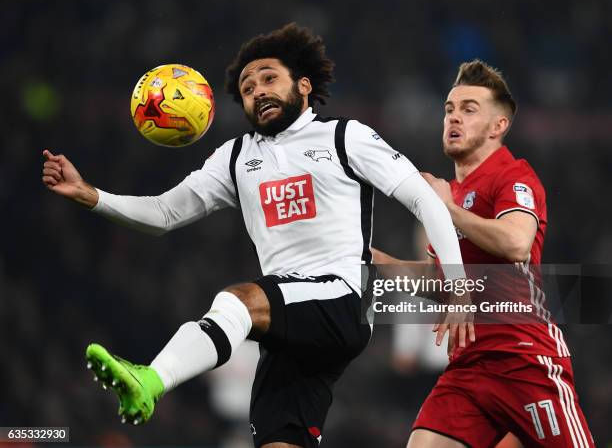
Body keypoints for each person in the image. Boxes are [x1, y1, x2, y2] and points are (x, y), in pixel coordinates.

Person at [41, 23, 467, 448]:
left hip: (342, 299)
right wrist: (92, 195)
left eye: (269, 79)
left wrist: (458, 284)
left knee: (236, 300)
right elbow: (164, 212)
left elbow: (424, 201)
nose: (258, 91)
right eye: (247, 87)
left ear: (303, 85)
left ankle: (151, 379)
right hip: (291, 324)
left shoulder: (344, 136)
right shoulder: (236, 157)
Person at [374, 60, 594, 448]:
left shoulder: (513, 176)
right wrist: (364, 256)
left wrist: (445, 211)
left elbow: (516, 244)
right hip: (467, 368)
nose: (454, 118)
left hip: (523, 357)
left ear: (498, 126)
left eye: (469, 109)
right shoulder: (450, 195)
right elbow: (437, 281)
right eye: (449, 109)